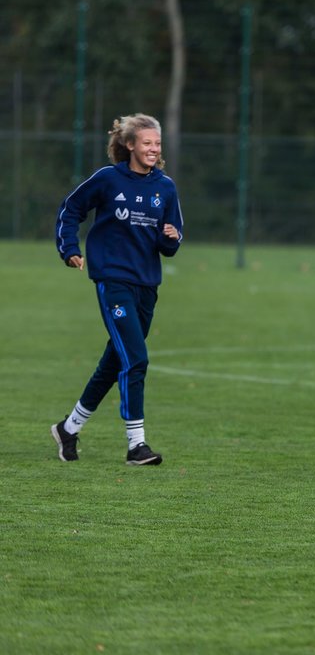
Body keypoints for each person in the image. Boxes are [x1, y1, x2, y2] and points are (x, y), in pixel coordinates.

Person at [51, 114, 184, 466]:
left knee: (116, 361)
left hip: (147, 285)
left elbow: (170, 241)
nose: (154, 149)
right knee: (136, 360)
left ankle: (69, 427)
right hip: (113, 282)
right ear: (129, 145)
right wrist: (69, 248)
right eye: (147, 143)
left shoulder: (165, 188)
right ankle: (136, 445)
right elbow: (71, 209)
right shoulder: (108, 179)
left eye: (157, 143)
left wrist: (171, 238)